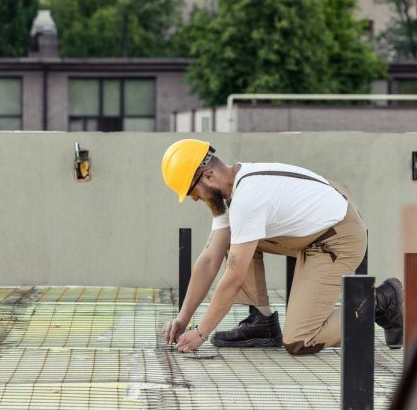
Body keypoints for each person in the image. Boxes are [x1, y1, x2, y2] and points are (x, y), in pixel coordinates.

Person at [159, 138, 403, 355]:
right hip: (313, 234)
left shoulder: (247, 199)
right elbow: (210, 259)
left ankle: (382, 300)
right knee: (235, 240)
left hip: (338, 239)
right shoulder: (231, 194)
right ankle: (262, 323)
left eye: (192, 191)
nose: (194, 199)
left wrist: (201, 333)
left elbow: (233, 278)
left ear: (209, 176)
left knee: (300, 339)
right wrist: (183, 318)